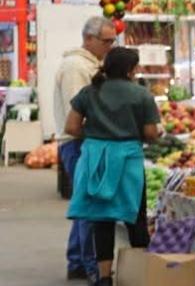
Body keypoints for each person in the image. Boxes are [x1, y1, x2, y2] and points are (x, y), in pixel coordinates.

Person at [65, 47, 160, 286]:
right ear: (130, 69)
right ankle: (139, 274)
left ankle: (104, 278)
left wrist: (98, 135)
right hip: (128, 162)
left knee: (102, 220)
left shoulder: (89, 92)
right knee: (135, 217)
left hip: (97, 160)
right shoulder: (141, 95)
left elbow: (72, 128)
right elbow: (150, 133)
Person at [55, 16, 115, 281]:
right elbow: (76, 113)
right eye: (106, 41)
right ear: (89, 39)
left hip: (84, 141)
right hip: (79, 142)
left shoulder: (91, 64)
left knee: (84, 205)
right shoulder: (75, 67)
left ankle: (77, 262)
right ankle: (91, 266)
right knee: (91, 206)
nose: (110, 46)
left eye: (113, 41)